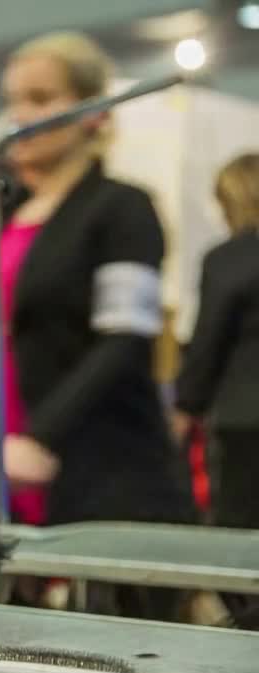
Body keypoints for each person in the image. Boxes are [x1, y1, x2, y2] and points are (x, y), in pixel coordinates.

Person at [0, 31, 197, 617]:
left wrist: (41, 435)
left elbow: (124, 340)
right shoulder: (8, 213)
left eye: (43, 98)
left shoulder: (122, 207)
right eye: (15, 99)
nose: (22, 115)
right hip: (2, 474)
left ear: (93, 111)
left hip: (102, 465)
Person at [172, 153, 259, 629]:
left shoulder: (227, 259)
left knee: (237, 537)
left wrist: (185, 408)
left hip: (244, 419)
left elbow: (208, 345)